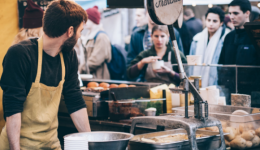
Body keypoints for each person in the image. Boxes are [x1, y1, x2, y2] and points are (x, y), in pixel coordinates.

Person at [0, 0, 91, 149]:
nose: (79, 36)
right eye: (80, 31)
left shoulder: (69, 56)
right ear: (69, 31)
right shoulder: (20, 55)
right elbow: (12, 109)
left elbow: (74, 100)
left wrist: (90, 141)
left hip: (50, 143)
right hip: (20, 144)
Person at [189, 7, 230, 87]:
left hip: (217, 83)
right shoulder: (197, 39)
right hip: (197, 82)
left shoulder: (225, 39)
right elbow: (191, 63)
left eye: (215, 21)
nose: (211, 24)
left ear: (221, 23)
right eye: (208, 20)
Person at [218, 0, 258, 65]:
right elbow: (222, 64)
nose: (231, 17)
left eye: (235, 13)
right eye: (230, 13)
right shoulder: (229, 37)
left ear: (247, 13)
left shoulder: (256, 36)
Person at [78, 6, 112, 79]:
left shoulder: (101, 36)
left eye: (87, 18)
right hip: (88, 76)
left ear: (93, 19)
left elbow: (96, 60)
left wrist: (80, 69)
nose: (84, 21)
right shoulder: (88, 35)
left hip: (99, 77)